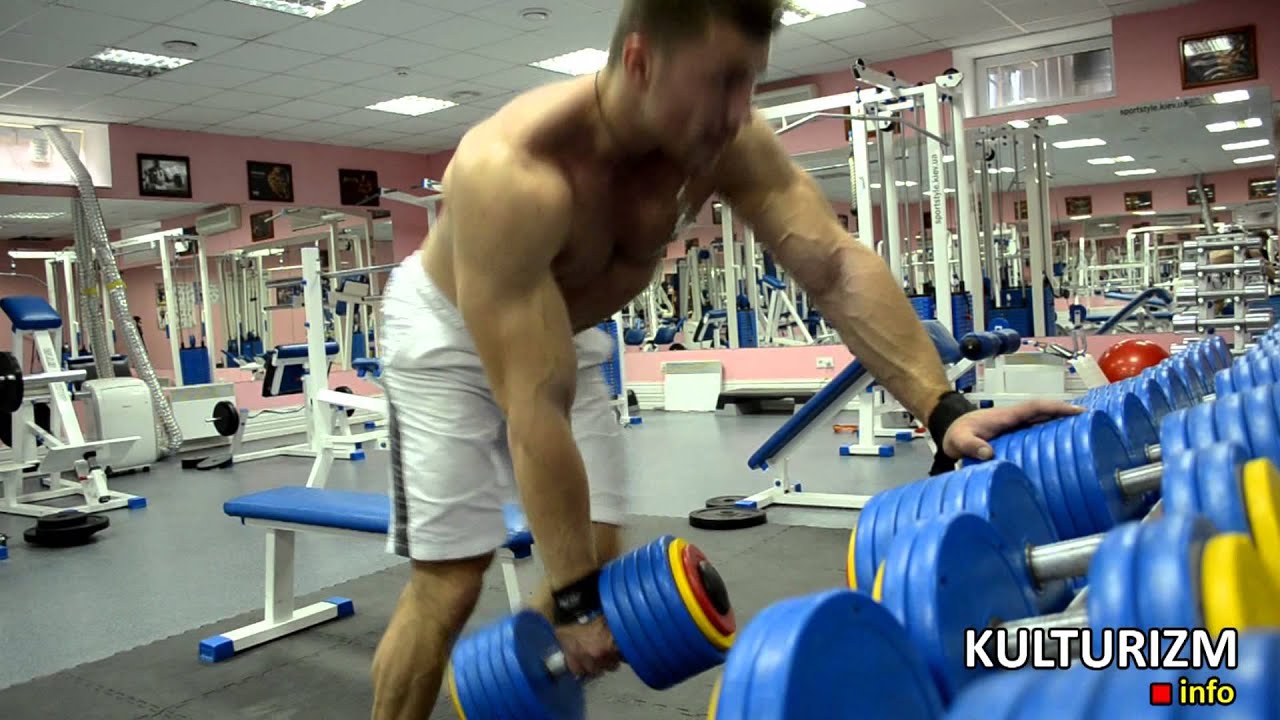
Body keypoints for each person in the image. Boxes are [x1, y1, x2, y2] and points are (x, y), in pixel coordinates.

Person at [369, 1, 1081, 717]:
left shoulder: (728, 140)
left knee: (594, 555)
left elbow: (833, 267)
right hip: (446, 336)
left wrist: (944, 410)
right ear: (640, 62)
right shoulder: (515, 173)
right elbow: (534, 406)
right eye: (720, 82)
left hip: (563, 331)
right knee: (454, 579)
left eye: (749, 83)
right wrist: (578, 603)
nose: (739, 110)